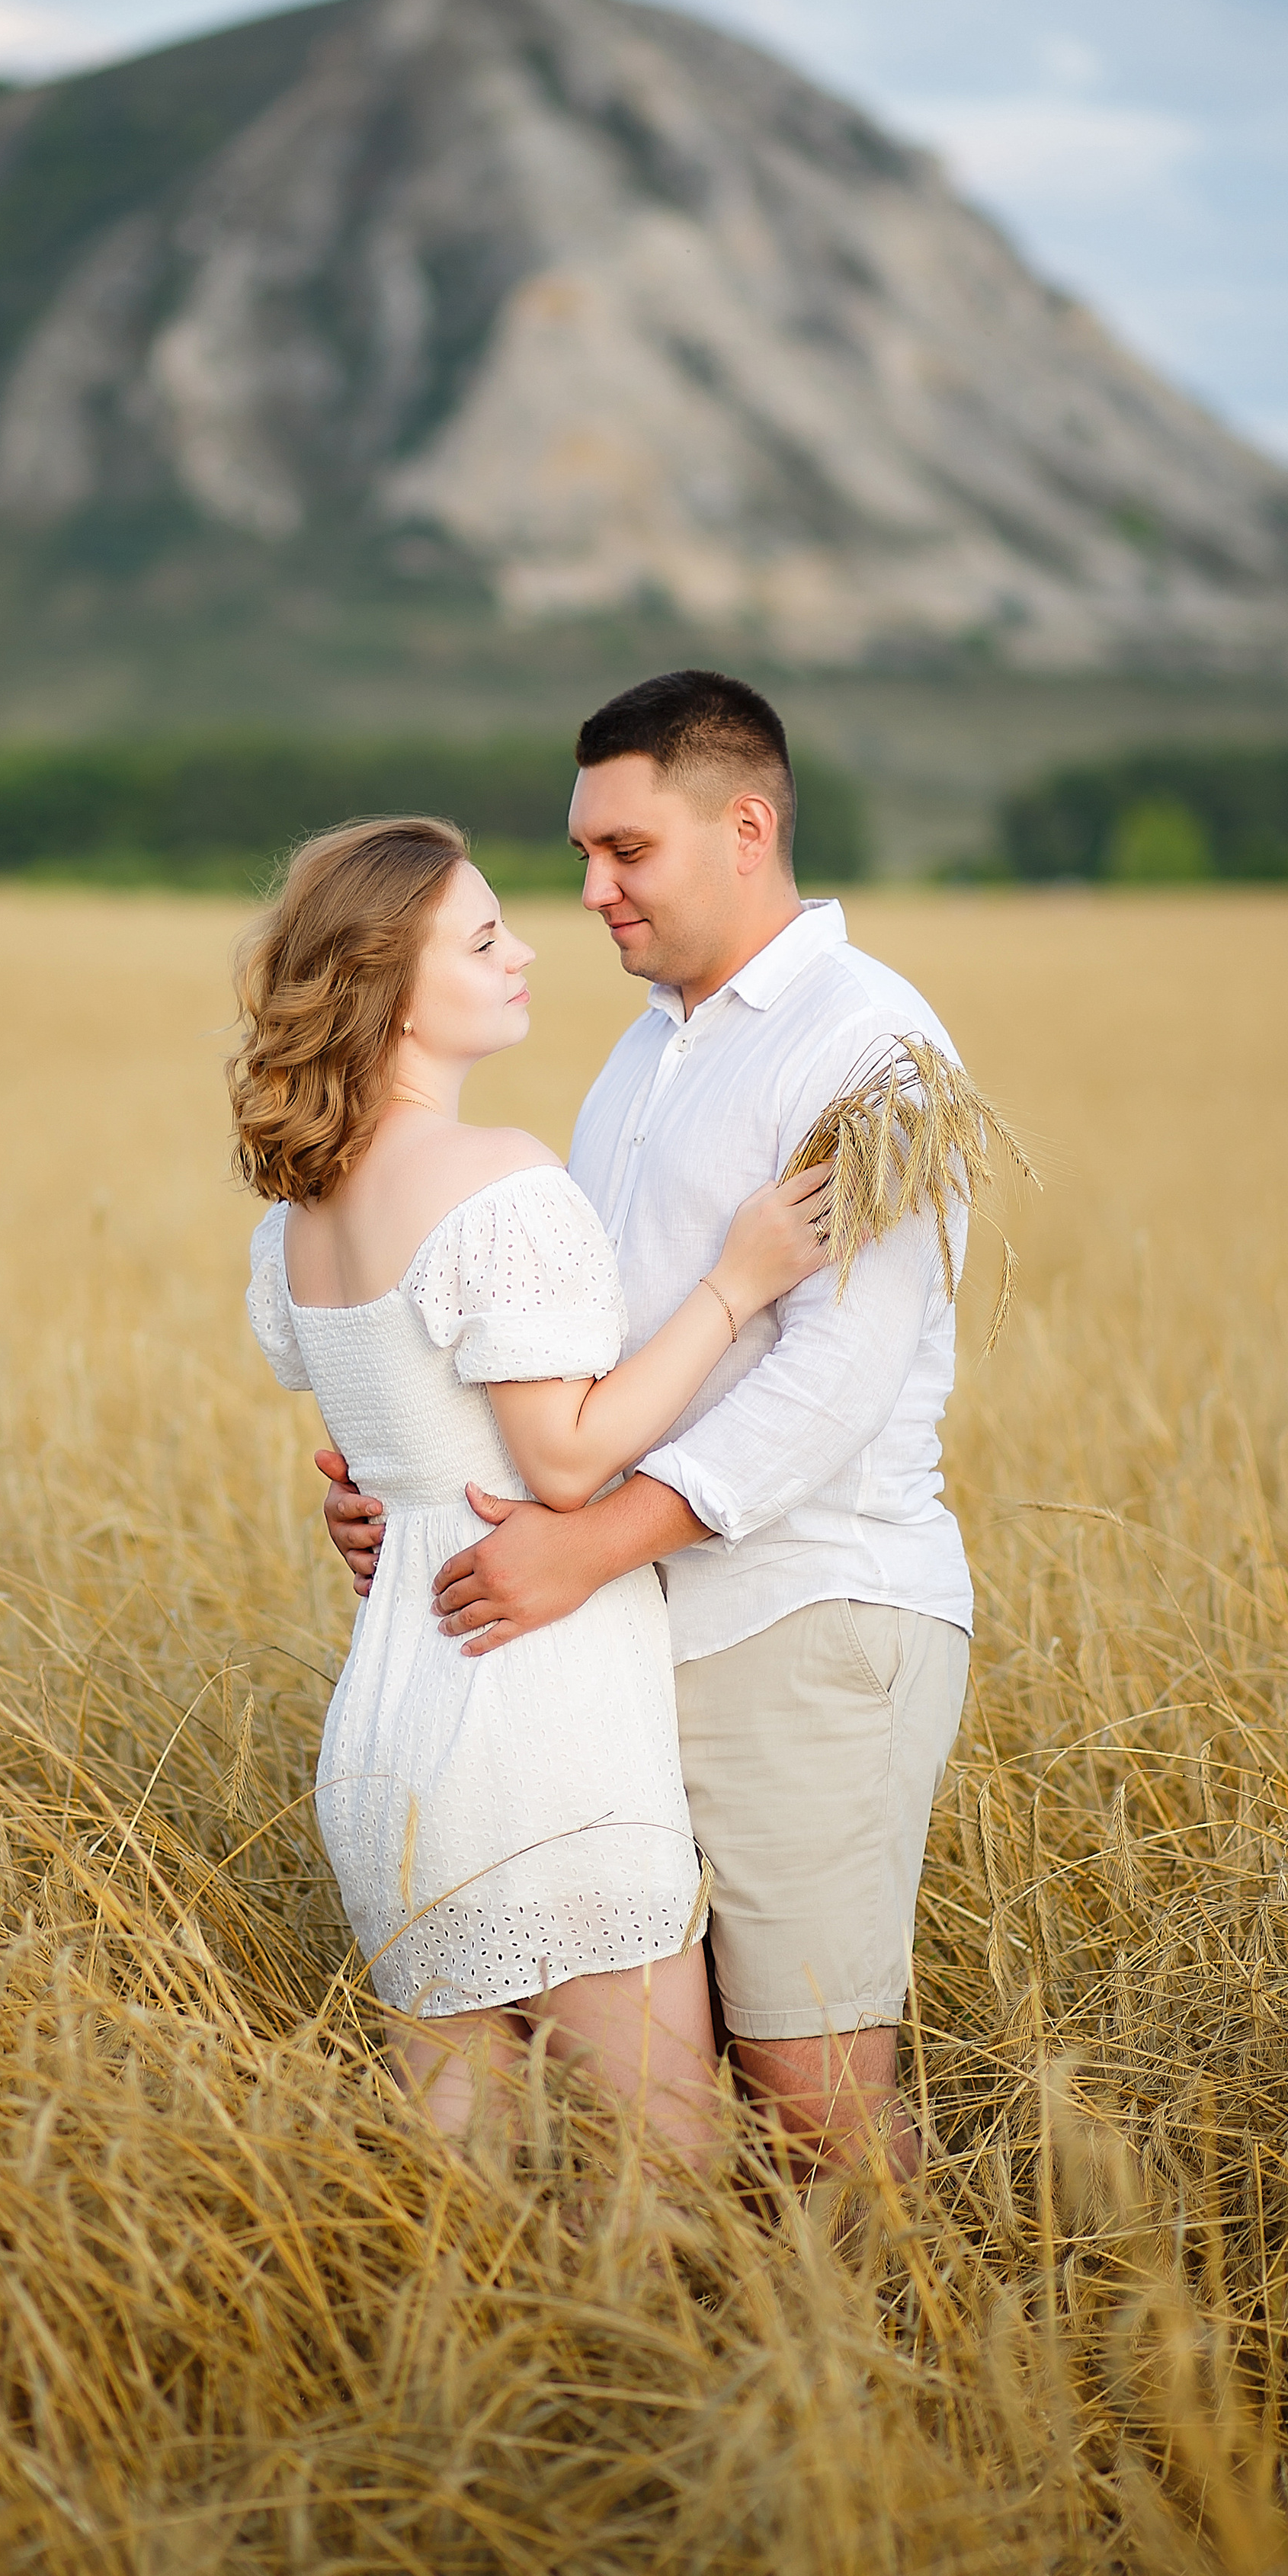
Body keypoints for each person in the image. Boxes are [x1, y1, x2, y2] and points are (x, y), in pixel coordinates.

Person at [322, 672, 976, 2181]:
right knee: (700, 2092)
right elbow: (576, 1353)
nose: (592, 891)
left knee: (808, 2080)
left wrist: (587, 1544)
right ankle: (732, 2382)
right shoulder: (648, 1047)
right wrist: (414, 1491)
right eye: (580, 856)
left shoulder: (871, 1045)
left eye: (627, 852)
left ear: (743, 827)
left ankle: (906, 2392)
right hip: (630, 1629)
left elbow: (838, 1376)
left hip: (807, 1611)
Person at [232, 814, 829, 2166]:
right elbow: (560, 1461)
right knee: (664, 2171)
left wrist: (369, 1507)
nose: (526, 951)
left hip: (393, 1717)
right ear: (388, 980)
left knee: (465, 2183)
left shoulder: (298, 1218)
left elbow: (384, 1467)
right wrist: (738, 1282)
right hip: (538, 1709)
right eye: (485, 937)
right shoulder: (497, 1179)